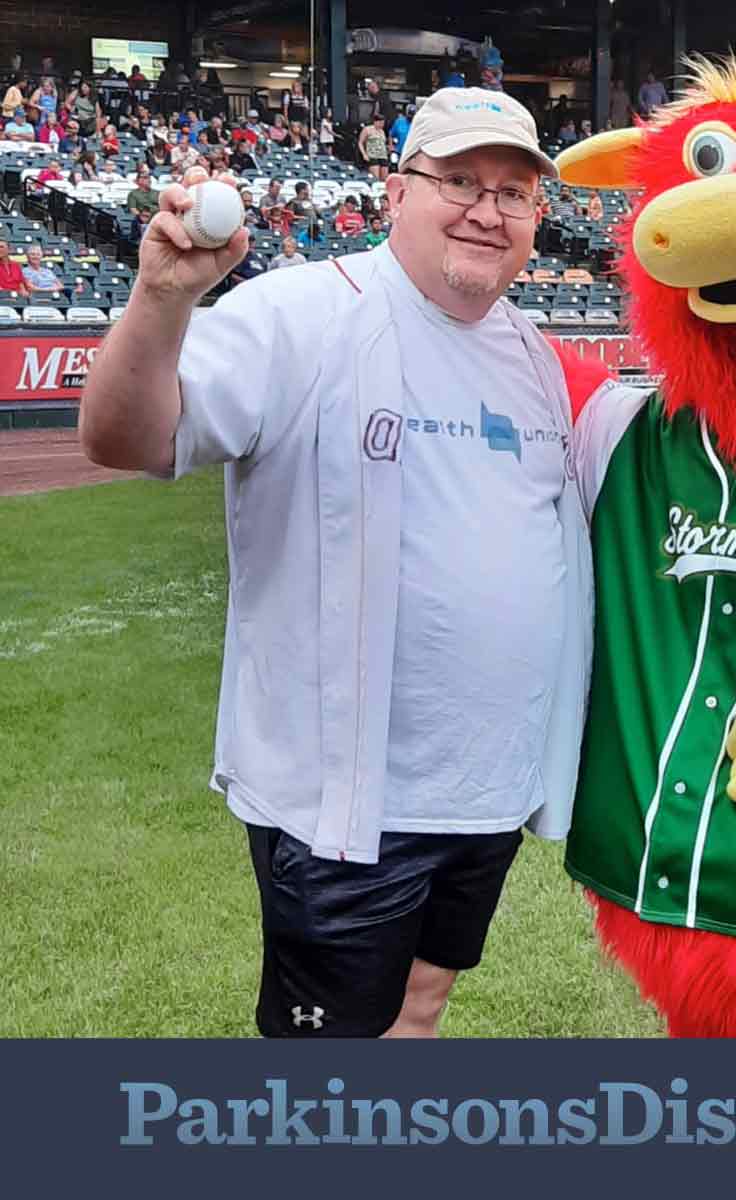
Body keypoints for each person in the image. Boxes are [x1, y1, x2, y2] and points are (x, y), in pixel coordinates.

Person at [78, 85, 587, 1040]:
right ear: (397, 193)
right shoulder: (301, 315)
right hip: (346, 808)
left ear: (536, 217)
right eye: (460, 181)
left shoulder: (533, 355)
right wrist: (161, 298)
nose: (488, 209)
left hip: (484, 791)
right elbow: (124, 439)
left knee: (421, 1010)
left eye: (514, 192)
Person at [358, 112, 389, 181]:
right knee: (376, 177)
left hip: (383, 155)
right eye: (380, 123)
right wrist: (364, 154)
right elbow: (360, 142)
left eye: (383, 123)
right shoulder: (367, 129)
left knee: (384, 178)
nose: (382, 125)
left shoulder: (382, 131)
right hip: (373, 155)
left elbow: (383, 143)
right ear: (376, 122)